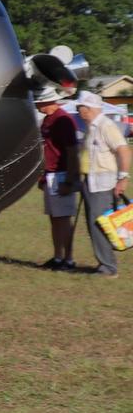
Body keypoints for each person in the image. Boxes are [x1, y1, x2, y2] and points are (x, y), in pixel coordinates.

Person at [72, 91, 129, 277]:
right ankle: (104, 264)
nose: (79, 110)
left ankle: (108, 267)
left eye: (81, 107)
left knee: (100, 224)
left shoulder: (106, 126)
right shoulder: (91, 126)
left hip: (103, 183)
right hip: (90, 181)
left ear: (91, 108)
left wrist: (123, 177)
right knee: (93, 224)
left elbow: (123, 150)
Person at [36, 87, 81, 270]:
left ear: (50, 101)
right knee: (54, 218)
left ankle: (69, 259)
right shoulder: (47, 120)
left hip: (62, 174)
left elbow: (72, 152)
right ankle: (57, 257)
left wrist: (69, 181)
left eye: (39, 101)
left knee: (64, 219)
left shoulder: (63, 120)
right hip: (50, 174)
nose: (37, 105)